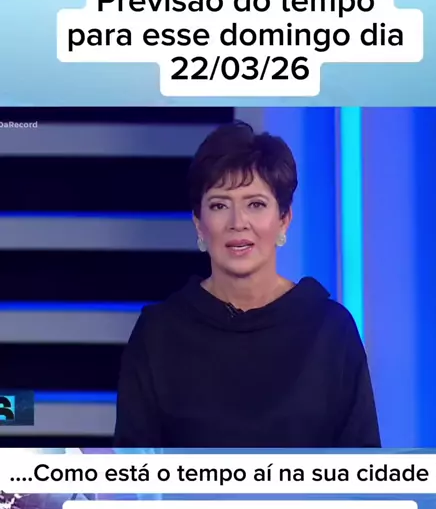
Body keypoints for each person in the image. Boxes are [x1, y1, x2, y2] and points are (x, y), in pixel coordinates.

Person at [114, 121, 381, 448]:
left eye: (255, 204)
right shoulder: (158, 332)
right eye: (219, 205)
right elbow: (132, 469)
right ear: (199, 223)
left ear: (284, 219)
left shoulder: (331, 330)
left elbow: (363, 468)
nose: (238, 223)